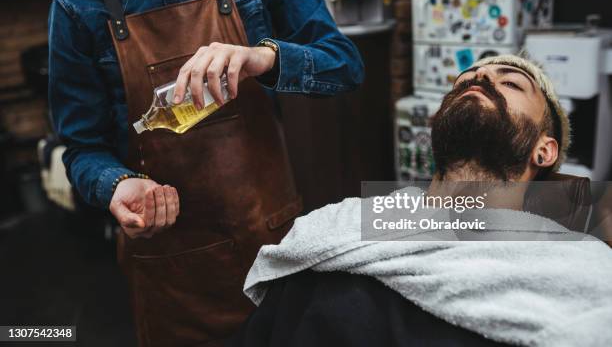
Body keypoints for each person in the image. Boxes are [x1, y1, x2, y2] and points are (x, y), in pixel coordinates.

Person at [48, 0, 364, 345]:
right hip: (172, 274)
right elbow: (82, 149)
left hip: (272, 251)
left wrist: (262, 58)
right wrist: (116, 183)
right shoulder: (77, 5)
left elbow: (345, 65)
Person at [232, 54, 612, 347]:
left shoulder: (582, 268)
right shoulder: (335, 228)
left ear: (544, 151)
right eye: (466, 79)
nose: (479, 76)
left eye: (511, 82)